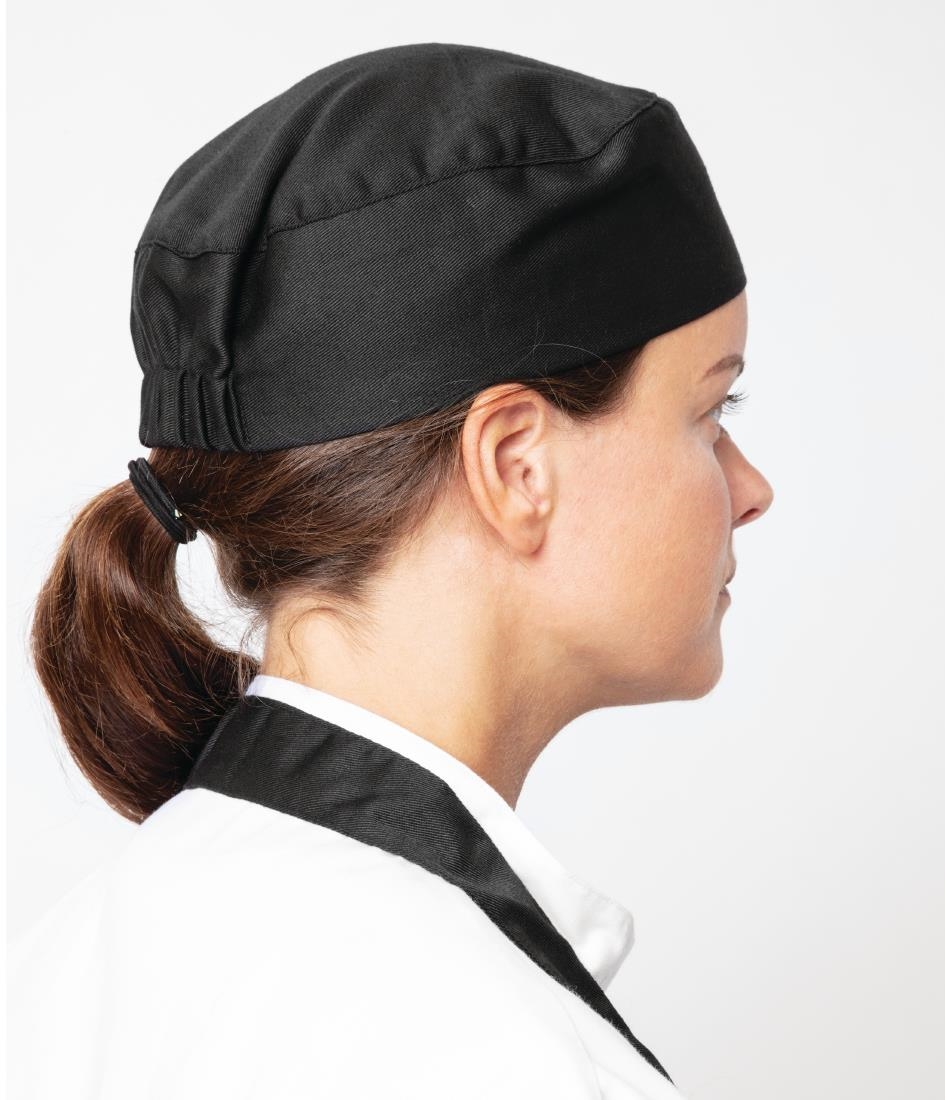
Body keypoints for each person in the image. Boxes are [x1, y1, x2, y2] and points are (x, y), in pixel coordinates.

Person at [11, 42, 773, 1099]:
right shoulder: (501, 1055)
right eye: (711, 411)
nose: (750, 488)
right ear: (516, 465)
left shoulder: (59, 975)